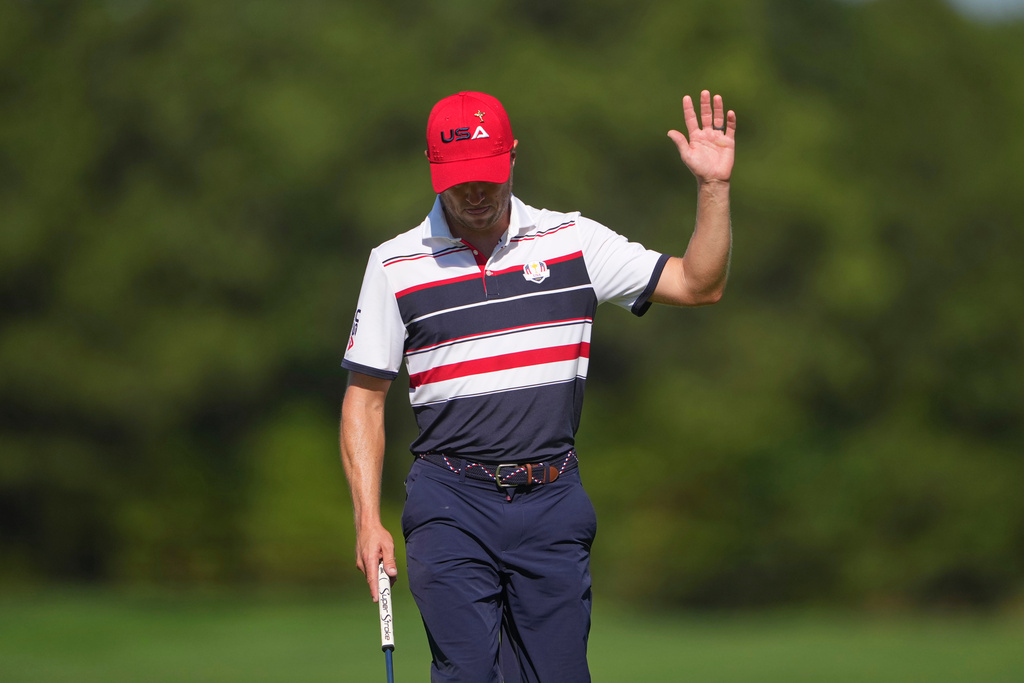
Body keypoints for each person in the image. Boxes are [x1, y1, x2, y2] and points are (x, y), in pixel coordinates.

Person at [341, 90, 735, 682]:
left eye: (487, 178)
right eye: (458, 179)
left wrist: (713, 188)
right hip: (450, 502)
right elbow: (364, 401)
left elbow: (699, 283)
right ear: (431, 167)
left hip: (551, 500)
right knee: (469, 672)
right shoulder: (395, 264)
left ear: (513, 158)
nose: (474, 194)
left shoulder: (571, 241)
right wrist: (367, 519)